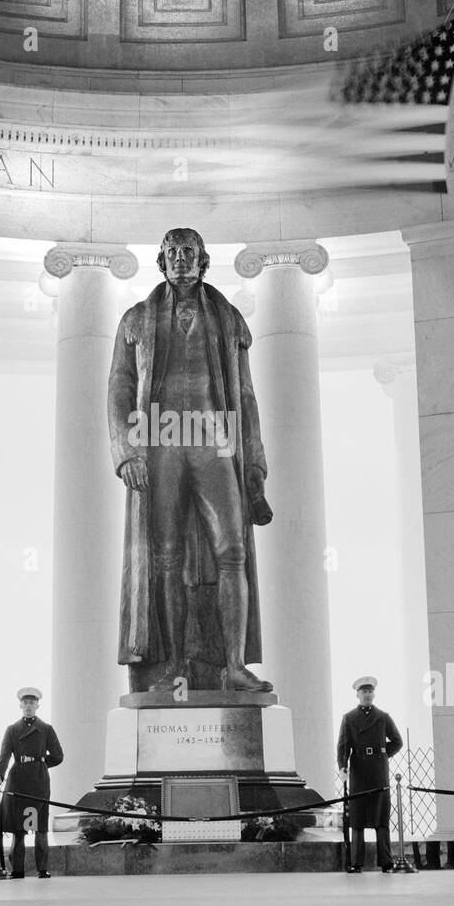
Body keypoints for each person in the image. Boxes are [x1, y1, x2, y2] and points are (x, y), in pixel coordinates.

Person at [107, 226, 273, 693]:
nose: (180, 258)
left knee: (232, 551)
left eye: (189, 252)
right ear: (162, 261)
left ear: (202, 260)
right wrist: (126, 453)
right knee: (167, 558)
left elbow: (246, 394)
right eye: (172, 252)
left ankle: (234, 665)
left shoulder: (227, 318)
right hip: (159, 444)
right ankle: (174, 666)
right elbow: (119, 389)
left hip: (214, 440)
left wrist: (255, 470)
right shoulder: (136, 320)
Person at [0, 688, 64, 879]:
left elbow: (58, 756)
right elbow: (4, 756)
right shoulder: (12, 730)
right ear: (20, 706)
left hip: (39, 782)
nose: (28, 707)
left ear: (37, 706)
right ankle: (17, 869)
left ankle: (42, 869)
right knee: (19, 829)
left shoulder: (46, 729)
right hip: (18, 782)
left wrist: (40, 764)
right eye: (25, 703)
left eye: (32, 703)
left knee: (40, 827)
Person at [337, 676, 403, 873]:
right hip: (358, 770)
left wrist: (382, 754)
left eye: (370, 692)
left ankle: (386, 862)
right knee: (357, 817)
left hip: (378, 771)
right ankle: (356, 862)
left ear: (374, 694)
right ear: (357, 695)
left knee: (380, 817)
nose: (367, 695)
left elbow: (397, 741)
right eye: (363, 692)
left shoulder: (383, 716)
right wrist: (343, 766)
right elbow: (343, 746)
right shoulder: (349, 718)